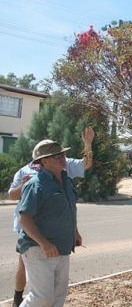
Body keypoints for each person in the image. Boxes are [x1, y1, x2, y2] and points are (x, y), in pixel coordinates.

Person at [8, 127, 94, 307]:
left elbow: (70, 208)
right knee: (42, 297)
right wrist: (44, 243)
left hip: (62, 246)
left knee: (58, 296)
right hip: (38, 247)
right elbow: (24, 217)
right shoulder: (35, 183)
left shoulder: (65, 179)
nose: (63, 159)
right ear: (44, 161)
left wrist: (74, 232)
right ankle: (17, 299)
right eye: (57, 156)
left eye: (62, 155)